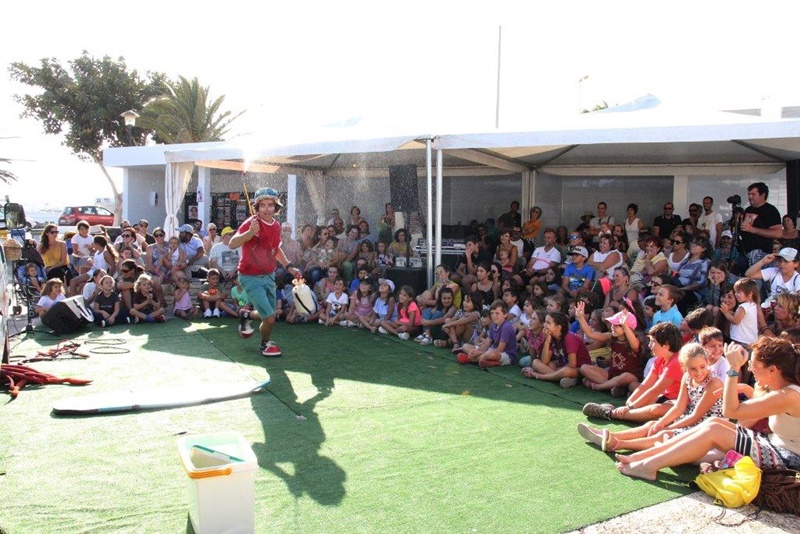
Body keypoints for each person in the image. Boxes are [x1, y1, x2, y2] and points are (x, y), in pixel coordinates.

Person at [615, 336, 800, 481]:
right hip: (773, 446)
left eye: (753, 365)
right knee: (714, 423)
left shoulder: (788, 395)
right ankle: (643, 457)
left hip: (788, 458)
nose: (750, 369)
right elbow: (741, 415)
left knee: (714, 430)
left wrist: (733, 368)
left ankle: (648, 465)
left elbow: (731, 411)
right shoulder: (783, 391)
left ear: (773, 370)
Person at [578, 343, 723, 452]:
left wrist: (667, 426)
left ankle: (616, 443)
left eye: (702, 367)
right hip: (691, 418)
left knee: (663, 433)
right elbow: (679, 407)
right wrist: (661, 423)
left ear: (707, 363)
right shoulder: (687, 377)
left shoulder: (713, 383)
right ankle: (608, 435)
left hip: (707, 425)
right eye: (693, 369)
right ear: (684, 367)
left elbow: (697, 415)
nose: (699, 372)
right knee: (652, 424)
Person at [228, 187, 302, 356]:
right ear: (257, 207)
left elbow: (276, 250)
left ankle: (246, 315)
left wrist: (289, 266)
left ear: (276, 207)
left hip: (269, 276)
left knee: (269, 314)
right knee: (270, 317)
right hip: (250, 277)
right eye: (263, 205)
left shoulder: (276, 226)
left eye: (270, 205)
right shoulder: (251, 223)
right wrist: (249, 233)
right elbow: (232, 244)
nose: (267, 209)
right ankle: (265, 344)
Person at [583, 322, 683, 423]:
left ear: (666, 345)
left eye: (653, 342)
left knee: (655, 410)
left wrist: (631, 407)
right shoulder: (659, 360)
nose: (649, 345)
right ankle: (620, 412)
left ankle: (610, 413)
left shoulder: (676, 362)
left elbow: (655, 390)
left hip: (681, 402)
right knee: (646, 404)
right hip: (665, 397)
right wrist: (629, 403)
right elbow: (645, 385)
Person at [575, 301, 642, 396]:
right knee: (584, 368)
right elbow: (591, 334)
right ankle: (615, 387)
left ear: (627, 327)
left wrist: (625, 326)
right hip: (611, 375)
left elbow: (635, 346)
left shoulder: (634, 340)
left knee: (626, 376)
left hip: (629, 377)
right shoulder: (611, 336)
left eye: (616, 325)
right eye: (612, 324)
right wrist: (581, 318)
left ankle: (599, 387)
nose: (612, 327)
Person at [521, 310, 590, 388]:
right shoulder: (552, 336)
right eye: (545, 322)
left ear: (558, 327)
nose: (544, 325)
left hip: (578, 369)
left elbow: (572, 364)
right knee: (536, 362)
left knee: (566, 371)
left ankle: (540, 376)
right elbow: (544, 361)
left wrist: (536, 374)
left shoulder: (569, 338)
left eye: (548, 323)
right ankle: (561, 378)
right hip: (563, 366)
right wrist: (547, 341)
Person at [456, 299, 517, 368]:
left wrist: (479, 353)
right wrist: (476, 350)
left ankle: (470, 359)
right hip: (492, 350)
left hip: (506, 355)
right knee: (465, 346)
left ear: (505, 314)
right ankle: (487, 361)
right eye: (492, 313)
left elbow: (500, 350)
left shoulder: (506, 327)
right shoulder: (493, 325)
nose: (494, 316)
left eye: (497, 313)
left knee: (490, 354)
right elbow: (486, 345)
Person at [740, 182, 783, 266]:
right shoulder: (748, 209)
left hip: (761, 253)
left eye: (753, 194)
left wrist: (752, 229)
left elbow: (778, 233)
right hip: (745, 252)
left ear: (762, 195)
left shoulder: (771, 210)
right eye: (749, 194)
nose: (750, 197)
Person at [721, 277, 759, 347]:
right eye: (735, 292)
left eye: (738, 292)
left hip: (741, 340)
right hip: (751, 340)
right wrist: (733, 313)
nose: (735, 294)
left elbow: (735, 321)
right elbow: (744, 317)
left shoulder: (743, 307)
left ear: (750, 293)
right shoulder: (753, 305)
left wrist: (725, 312)